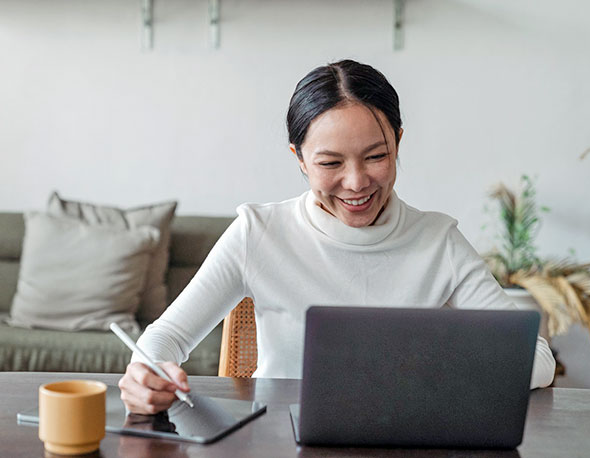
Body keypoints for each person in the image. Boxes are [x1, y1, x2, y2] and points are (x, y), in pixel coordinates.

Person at [119, 60, 556, 414]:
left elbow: (536, 358)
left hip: (402, 439)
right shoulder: (258, 233)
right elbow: (166, 336)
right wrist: (146, 372)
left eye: (377, 156)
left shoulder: (438, 241)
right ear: (300, 159)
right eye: (330, 163)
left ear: (398, 143)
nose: (356, 182)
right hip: (278, 439)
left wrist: (439, 367)